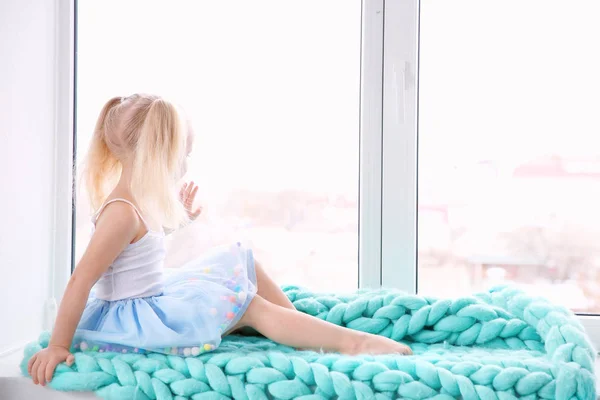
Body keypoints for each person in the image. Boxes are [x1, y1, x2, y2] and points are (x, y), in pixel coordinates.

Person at [27, 94, 412, 386]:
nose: (186, 163)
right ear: (160, 154)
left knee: (239, 260)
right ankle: (351, 342)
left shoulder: (136, 205)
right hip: (136, 317)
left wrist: (182, 219)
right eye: (184, 153)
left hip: (152, 296)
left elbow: (138, 252)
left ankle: (299, 325)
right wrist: (58, 345)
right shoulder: (121, 212)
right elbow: (81, 280)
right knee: (247, 306)